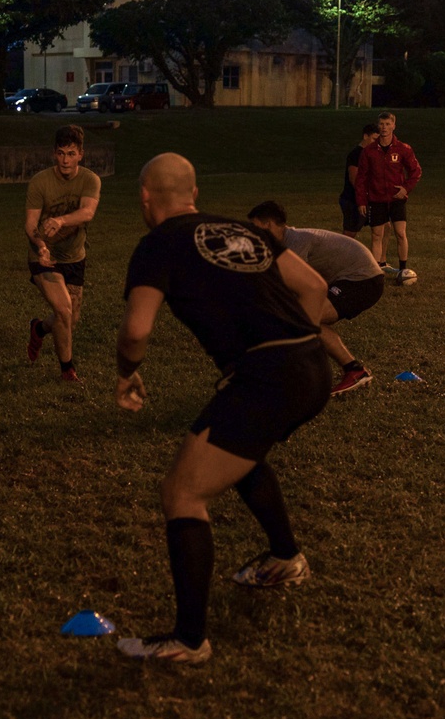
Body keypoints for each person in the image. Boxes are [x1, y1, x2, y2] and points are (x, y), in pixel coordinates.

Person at [114, 153, 331, 665]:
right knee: (240, 451)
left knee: (182, 492)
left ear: (146, 198)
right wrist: (291, 346)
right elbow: (315, 288)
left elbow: (137, 330)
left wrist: (126, 374)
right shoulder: (243, 229)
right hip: (313, 366)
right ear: (193, 193)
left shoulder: (158, 244)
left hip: (269, 376)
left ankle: (189, 640)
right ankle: (285, 558)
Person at [248, 200, 383, 397]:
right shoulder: (283, 243)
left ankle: (295, 379)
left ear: (268, 224)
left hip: (362, 280)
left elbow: (286, 287)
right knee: (305, 319)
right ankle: (353, 370)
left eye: (255, 228)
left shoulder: (296, 243)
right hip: (353, 279)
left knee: (301, 318)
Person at [25, 124, 101, 383]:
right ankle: (67, 370)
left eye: (71, 153)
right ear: (53, 154)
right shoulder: (40, 182)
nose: (65, 160)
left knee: (69, 319)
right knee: (64, 310)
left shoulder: (90, 180)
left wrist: (61, 220)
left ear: (81, 154)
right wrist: (42, 247)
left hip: (75, 257)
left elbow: (88, 212)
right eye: (60, 153)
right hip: (44, 257)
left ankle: (38, 328)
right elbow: (30, 225)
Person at [354, 110, 422, 284]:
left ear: (394, 126)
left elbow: (416, 171)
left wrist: (405, 189)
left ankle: (403, 269)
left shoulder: (403, 149)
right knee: (376, 235)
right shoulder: (369, 151)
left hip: (396, 200)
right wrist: (361, 200)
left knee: (400, 233)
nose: (384, 128)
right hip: (376, 200)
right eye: (381, 124)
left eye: (387, 124)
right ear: (378, 126)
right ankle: (376, 273)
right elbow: (361, 178)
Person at [339, 122, 379, 238]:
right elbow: (354, 179)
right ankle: (340, 253)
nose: (376, 143)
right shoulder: (356, 154)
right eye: (373, 139)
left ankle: (381, 256)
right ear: (365, 136)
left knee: (383, 227)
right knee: (350, 233)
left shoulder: (372, 154)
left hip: (368, 199)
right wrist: (364, 195)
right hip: (352, 199)